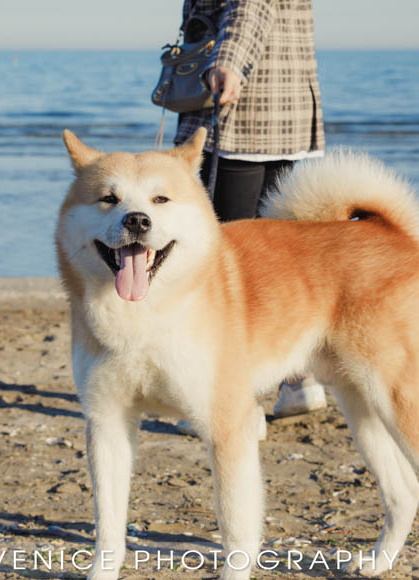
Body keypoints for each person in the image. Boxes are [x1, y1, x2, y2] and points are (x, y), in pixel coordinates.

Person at [172, 0, 327, 430]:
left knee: (227, 264)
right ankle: (297, 380)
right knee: (276, 259)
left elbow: (250, 6)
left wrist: (229, 61)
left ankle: (236, 402)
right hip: (282, 104)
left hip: (243, 108)